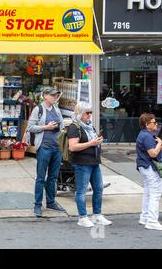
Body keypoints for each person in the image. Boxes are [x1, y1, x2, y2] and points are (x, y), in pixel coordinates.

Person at [68, 102, 112, 228]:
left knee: (98, 188)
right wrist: (91, 143)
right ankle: (82, 217)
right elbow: (72, 147)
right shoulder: (74, 127)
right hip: (82, 163)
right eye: (87, 113)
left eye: (91, 113)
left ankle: (97, 215)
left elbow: (93, 141)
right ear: (80, 113)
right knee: (81, 191)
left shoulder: (89, 126)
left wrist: (98, 141)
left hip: (94, 161)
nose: (90, 115)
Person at [26, 86, 66, 217]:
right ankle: (37, 205)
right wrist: (46, 127)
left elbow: (61, 126)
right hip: (44, 147)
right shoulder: (39, 109)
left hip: (56, 148)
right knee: (41, 177)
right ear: (45, 96)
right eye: (53, 95)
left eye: (55, 95)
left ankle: (51, 202)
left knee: (53, 177)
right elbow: (30, 127)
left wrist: (61, 126)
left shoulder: (56, 109)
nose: (55, 97)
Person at [135, 113, 162, 230]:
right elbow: (153, 153)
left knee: (148, 192)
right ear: (146, 124)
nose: (156, 124)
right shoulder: (147, 136)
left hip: (145, 166)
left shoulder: (145, 135)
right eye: (154, 123)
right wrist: (159, 143)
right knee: (155, 194)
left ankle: (145, 217)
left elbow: (154, 151)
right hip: (150, 166)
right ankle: (152, 221)